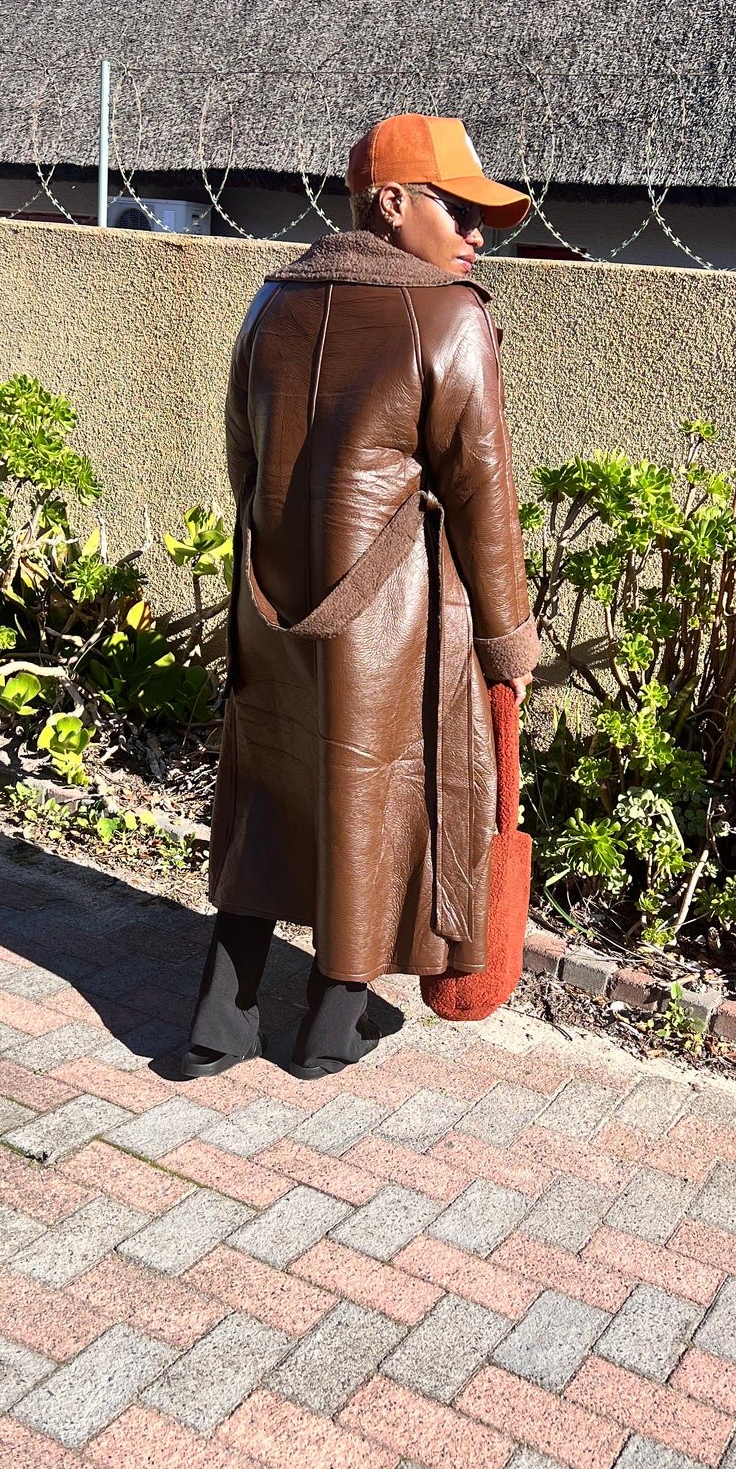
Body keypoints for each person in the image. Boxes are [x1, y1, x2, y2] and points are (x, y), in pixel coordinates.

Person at [181, 114, 540, 1081]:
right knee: (377, 796)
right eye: (459, 207)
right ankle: (331, 1027)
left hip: (273, 608)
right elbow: (482, 491)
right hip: (395, 623)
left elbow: (243, 466)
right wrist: (509, 643)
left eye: (483, 217)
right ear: (390, 203)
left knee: (271, 789)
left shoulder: (270, 302)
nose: (478, 232)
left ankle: (221, 1018)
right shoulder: (450, 316)